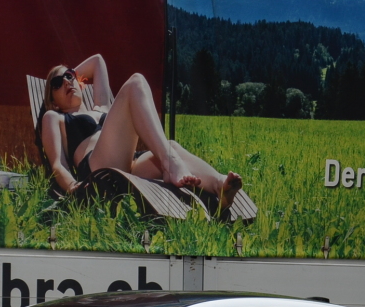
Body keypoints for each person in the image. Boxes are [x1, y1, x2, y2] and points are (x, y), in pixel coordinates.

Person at [40, 55, 242, 214]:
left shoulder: (101, 106)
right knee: (136, 82)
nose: (66, 82)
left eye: (69, 76)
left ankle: (219, 186)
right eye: (57, 83)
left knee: (172, 144)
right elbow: (58, 164)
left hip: (128, 166)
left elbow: (97, 61)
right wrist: (73, 188)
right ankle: (169, 163)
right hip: (99, 172)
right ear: (54, 101)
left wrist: (72, 74)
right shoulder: (54, 117)